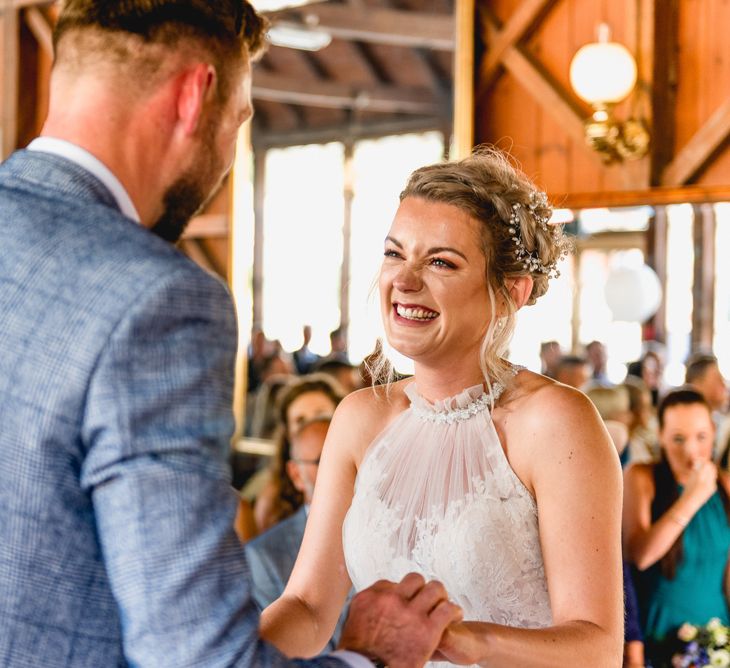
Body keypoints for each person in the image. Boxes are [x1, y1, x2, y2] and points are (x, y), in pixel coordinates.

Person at [0, 2, 463, 666]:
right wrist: (370, 658)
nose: (227, 152)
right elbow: (194, 654)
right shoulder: (155, 300)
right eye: (240, 121)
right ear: (195, 97)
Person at [258, 148, 624, 665]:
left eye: (440, 262)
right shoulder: (360, 418)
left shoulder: (555, 422)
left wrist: (460, 641)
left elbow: (597, 647)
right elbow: (309, 606)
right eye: (394, 253)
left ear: (510, 291)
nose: (404, 281)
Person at [623, 388, 730, 666]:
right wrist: (693, 497)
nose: (690, 450)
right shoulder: (642, 477)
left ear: (714, 432)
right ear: (661, 436)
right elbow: (640, 556)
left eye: (701, 437)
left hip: (716, 634)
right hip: (657, 635)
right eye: (678, 439)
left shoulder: (727, 486)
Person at [246, 418, 350, 651]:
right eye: (323, 461)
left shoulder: (391, 529)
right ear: (295, 474)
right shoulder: (263, 556)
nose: (344, 467)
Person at [252, 374, 346, 533]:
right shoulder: (271, 502)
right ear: (288, 433)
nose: (312, 427)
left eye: (321, 416)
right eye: (300, 421)